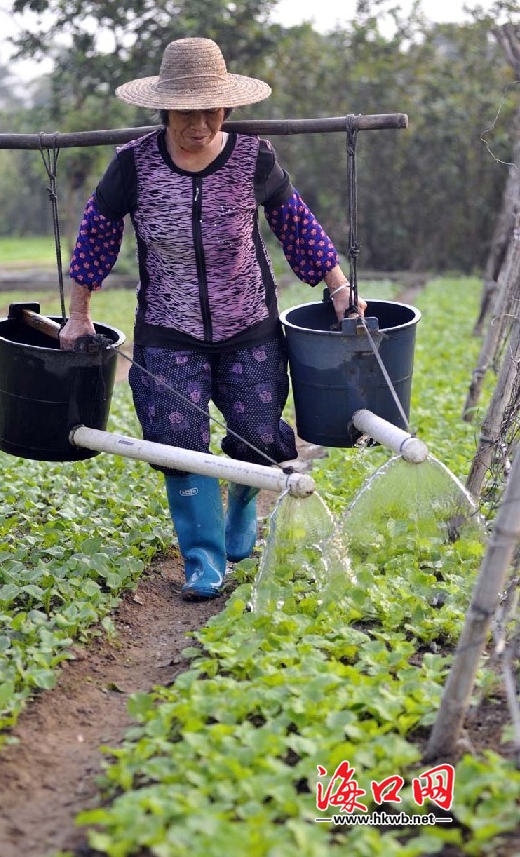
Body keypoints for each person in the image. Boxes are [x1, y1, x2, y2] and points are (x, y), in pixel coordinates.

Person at [60, 37, 367, 601]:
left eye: (210, 110)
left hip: (248, 325)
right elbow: (95, 236)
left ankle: (243, 507)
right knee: (176, 438)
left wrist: (339, 286)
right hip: (167, 331)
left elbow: (296, 224)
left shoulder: (254, 159)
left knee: (256, 435)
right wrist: (78, 314)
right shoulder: (133, 164)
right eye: (185, 112)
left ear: (226, 109)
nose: (198, 124)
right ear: (165, 110)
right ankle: (202, 559)